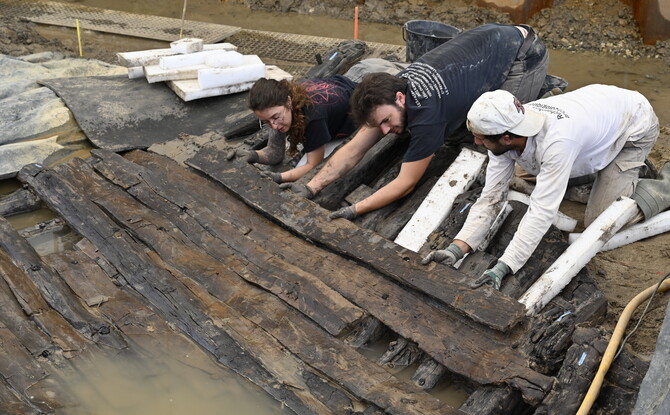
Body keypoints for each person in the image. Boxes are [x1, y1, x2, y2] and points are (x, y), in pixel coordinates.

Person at [281, 22, 549, 220]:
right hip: (484, 44)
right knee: (455, 127)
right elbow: (352, 149)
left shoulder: (427, 117)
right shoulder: (390, 95)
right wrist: (311, 188)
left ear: (400, 98)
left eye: (386, 121)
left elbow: (405, 182)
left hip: (521, 54)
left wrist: (354, 209)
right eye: (380, 125)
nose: (386, 131)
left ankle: (545, 89)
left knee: (491, 132)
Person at [422, 84, 660, 290]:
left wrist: (505, 266)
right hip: (596, 115)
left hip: (633, 124)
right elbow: (492, 196)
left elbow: (542, 211)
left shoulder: (558, 143)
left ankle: (656, 186)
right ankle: (598, 172)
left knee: (601, 220)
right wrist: (456, 248)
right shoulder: (508, 126)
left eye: (481, 138)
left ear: (506, 137)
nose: (475, 141)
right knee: (525, 172)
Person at [239, 60, 408, 183]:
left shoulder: (313, 116)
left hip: (372, 80)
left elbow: (313, 165)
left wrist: (279, 177)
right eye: (267, 122)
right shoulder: (279, 106)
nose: (274, 126)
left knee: (412, 75)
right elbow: (275, 152)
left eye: (275, 118)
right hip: (356, 74)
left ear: (289, 102)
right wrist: (252, 155)